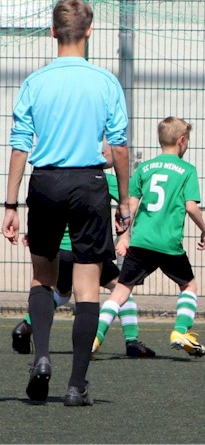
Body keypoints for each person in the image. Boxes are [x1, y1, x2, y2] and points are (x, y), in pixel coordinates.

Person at [3, 0, 130, 407]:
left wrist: (9, 205)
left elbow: (20, 146)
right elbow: (121, 147)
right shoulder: (105, 81)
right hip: (90, 182)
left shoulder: (35, 82)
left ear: (52, 32)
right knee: (88, 286)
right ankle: (76, 384)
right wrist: (124, 200)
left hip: (45, 182)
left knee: (42, 276)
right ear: (89, 31)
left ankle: (41, 358)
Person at [11, 146, 154, 358]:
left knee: (61, 293)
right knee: (122, 288)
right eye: (107, 150)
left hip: (60, 252)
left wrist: (32, 234)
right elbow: (131, 202)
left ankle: (26, 325)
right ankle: (131, 341)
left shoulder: (60, 177)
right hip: (84, 252)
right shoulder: (101, 180)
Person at [92, 117, 205, 359]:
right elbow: (190, 206)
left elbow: (130, 206)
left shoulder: (144, 168)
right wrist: (204, 229)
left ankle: (95, 338)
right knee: (188, 285)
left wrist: (123, 237)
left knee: (121, 290)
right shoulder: (187, 170)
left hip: (141, 242)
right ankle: (180, 331)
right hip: (168, 244)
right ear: (182, 141)